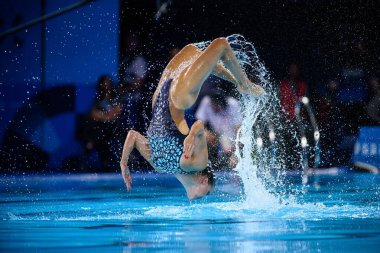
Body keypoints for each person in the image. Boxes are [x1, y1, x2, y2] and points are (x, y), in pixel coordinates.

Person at [120, 37, 265, 200]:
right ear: (204, 180)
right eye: (207, 192)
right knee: (220, 45)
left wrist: (124, 163)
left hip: (162, 95)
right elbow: (199, 126)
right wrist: (191, 135)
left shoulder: (160, 165)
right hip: (176, 98)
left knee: (198, 55)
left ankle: (239, 82)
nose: (204, 197)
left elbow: (132, 135)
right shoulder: (196, 164)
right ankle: (244, 83)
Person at [195, 90, 242, 168]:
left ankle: (230, 158)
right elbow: (199, 124)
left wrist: (236, 150)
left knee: (225, 138)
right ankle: (202, 164)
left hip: (231, 135)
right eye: (213, 105)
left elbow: (238, 130)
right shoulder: (206, 102)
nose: (215, 107)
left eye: (217, 105)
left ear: (222, 103)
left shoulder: (233, 104)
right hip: (214, 134)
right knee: (200, 136)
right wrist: (205, 132)